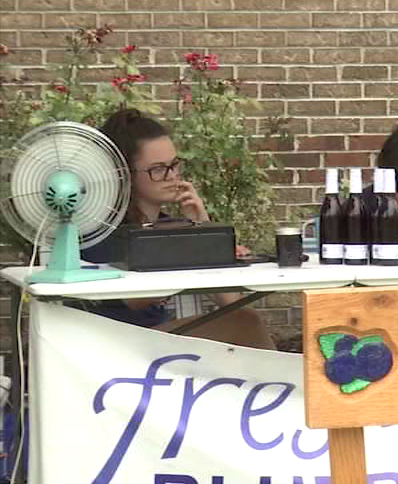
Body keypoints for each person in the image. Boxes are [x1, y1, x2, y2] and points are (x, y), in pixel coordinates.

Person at [77, 108, 274, 349]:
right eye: (158, 169)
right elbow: (135, 299)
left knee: (245, 320)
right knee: (246, 324)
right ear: (125, 173)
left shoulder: (169, 224)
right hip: (116, 346)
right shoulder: (103, 229)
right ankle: (289, 387)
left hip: (158, 339)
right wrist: (196, 250)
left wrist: (203, 229)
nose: (172, 176)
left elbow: (232, 303)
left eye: (174, 165)